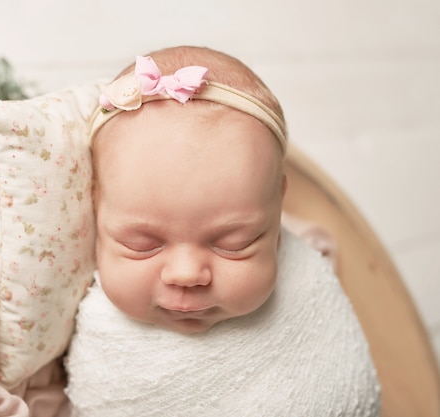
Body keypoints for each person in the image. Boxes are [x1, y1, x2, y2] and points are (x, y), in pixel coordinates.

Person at [63, 46, 381, 416]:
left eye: (234, 244)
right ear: (95, 207)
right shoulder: (69, 314)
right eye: (142, 244)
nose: (186, 274)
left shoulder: (309, 279)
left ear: (277, 211)